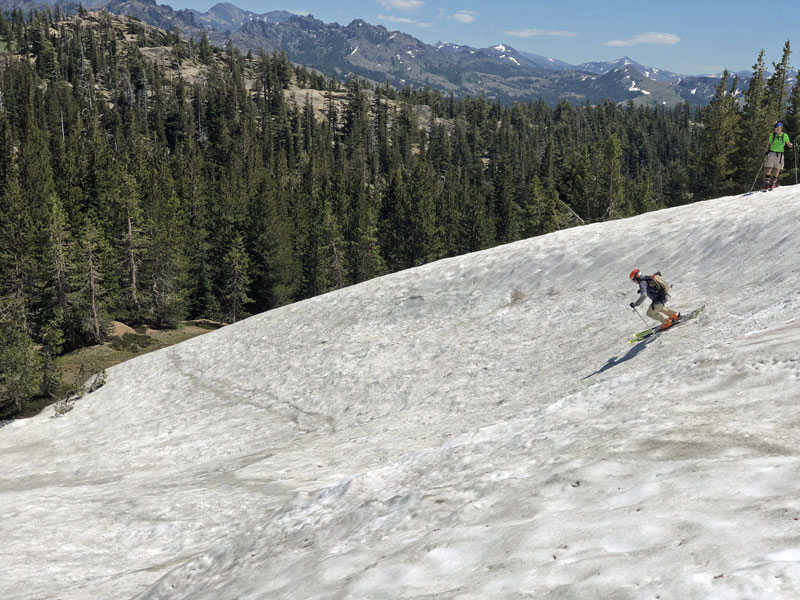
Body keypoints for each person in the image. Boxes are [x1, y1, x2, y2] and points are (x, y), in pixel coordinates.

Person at [763, 122, 793, 190]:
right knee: (769, 168)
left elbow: (788, 143)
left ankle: (773, 183)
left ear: (781, 128)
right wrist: (766, 151)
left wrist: (791, 145)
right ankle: (767, 183)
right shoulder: (772, 135)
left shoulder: (784, 136)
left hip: (780, 154)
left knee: (778, 169)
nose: (777, 130)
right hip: (772, 153)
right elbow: (769, 144)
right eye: (776, 128)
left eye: (779, 128)